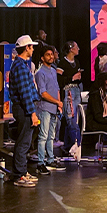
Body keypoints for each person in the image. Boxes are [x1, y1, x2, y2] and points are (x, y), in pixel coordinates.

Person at [6, 35, 41, 187]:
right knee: (23, 142)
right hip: (23, 108)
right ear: (27, 48)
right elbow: (25, 93)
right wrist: (32, 113)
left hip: (25, 107)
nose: (33, 49)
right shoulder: (20, 66)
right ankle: (19, 175)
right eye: (32, 46)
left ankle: (22, 171)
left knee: (25, 142)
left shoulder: (22, 65)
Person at [34, 45, 63, 173]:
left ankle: (50, 159)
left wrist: (59, 104)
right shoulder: (40, 73)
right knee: (43, 136)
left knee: (51, 136)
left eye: (52, 54)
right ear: (42, 57)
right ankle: (41, 162)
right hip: (44, 108)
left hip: (53, 108)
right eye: (48, 55)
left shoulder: (53, 70)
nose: (51, 57)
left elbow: (56, 88)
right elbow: (43, 93)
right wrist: (57, 101)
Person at [56, 41, 85, 161]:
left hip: (77, 90)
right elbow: (59, 80)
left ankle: (68, 145)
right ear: (71, 49)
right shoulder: (62, 62)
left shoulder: (76, 62)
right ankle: (76, 145)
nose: (78, 49)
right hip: (69, 92)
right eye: (76, 47)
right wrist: (71, 78)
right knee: (71, 118)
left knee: (75, 118)